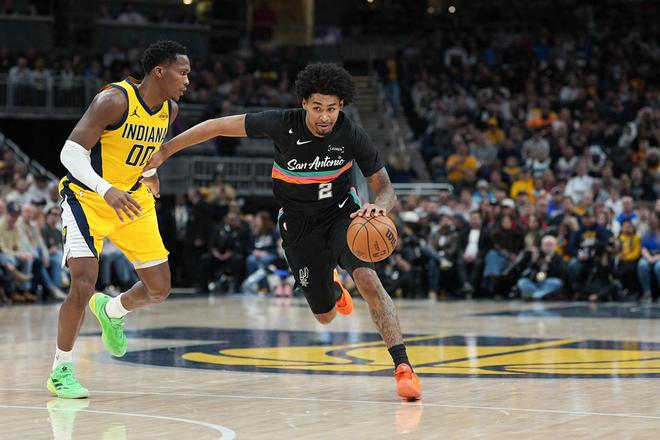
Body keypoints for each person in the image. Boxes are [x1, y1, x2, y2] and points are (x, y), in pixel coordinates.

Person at [146, 63, 422, 400]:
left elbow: (386, 188)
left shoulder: (351, 133)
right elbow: (216, 126)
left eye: (332, 108)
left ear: (341, 106)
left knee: (369, 281)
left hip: (342, 216)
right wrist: (164, 151)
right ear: (304, 103)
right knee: (325, 317)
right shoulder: (282, 124)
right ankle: (332, 283)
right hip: (299, 227)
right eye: (317, 107)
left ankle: (403, 367)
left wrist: (379, 206)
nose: (325, 116)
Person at [48, 40, 190, 399]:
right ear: (160, 71)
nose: (187, 80)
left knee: (159, 289)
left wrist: (149, 175)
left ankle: (112, 310)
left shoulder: (170, 109)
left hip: (132, 200)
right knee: (83, 284)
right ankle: (61, 369)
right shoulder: (113, 100)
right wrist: (105, 188)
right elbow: (70, 153)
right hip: (87, 199)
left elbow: (142, 152)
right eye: (183, 72)